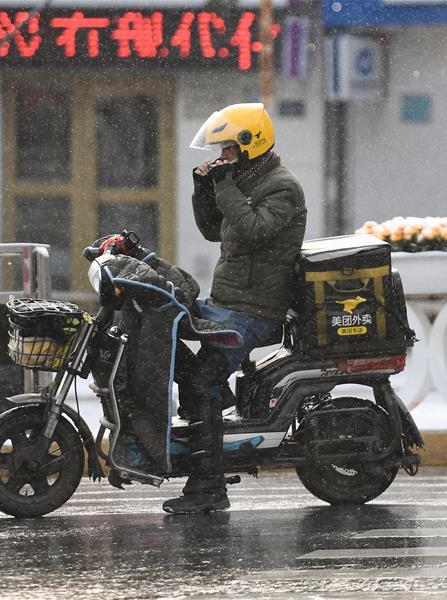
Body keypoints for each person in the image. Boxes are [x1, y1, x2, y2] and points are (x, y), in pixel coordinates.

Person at [163, 103, 307, 514]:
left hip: (256, 311)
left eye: (227, 150)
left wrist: (224, 185)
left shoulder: (282, 186)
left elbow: (254, 229)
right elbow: (215, 230)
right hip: (228, 301)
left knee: (203, 377)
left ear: (249, 145)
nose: (221, 157)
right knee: (163, 328)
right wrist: (203, 188)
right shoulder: (242, 181)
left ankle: (209, 485)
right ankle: (207, 406)